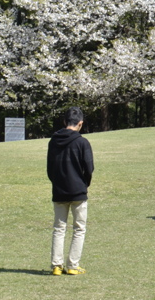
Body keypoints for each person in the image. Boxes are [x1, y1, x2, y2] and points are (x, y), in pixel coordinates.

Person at [47, 106, 94, 276]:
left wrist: (57, 183)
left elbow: (50, 169)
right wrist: (84, 185)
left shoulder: (53, 141)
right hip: (78, 192)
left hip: (59, 191)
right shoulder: (82, 142)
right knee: (79, 228)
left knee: (59, 228)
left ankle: (56, 266)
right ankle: (73, 265)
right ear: (80, 124)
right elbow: (89, 168)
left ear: (64, 122)